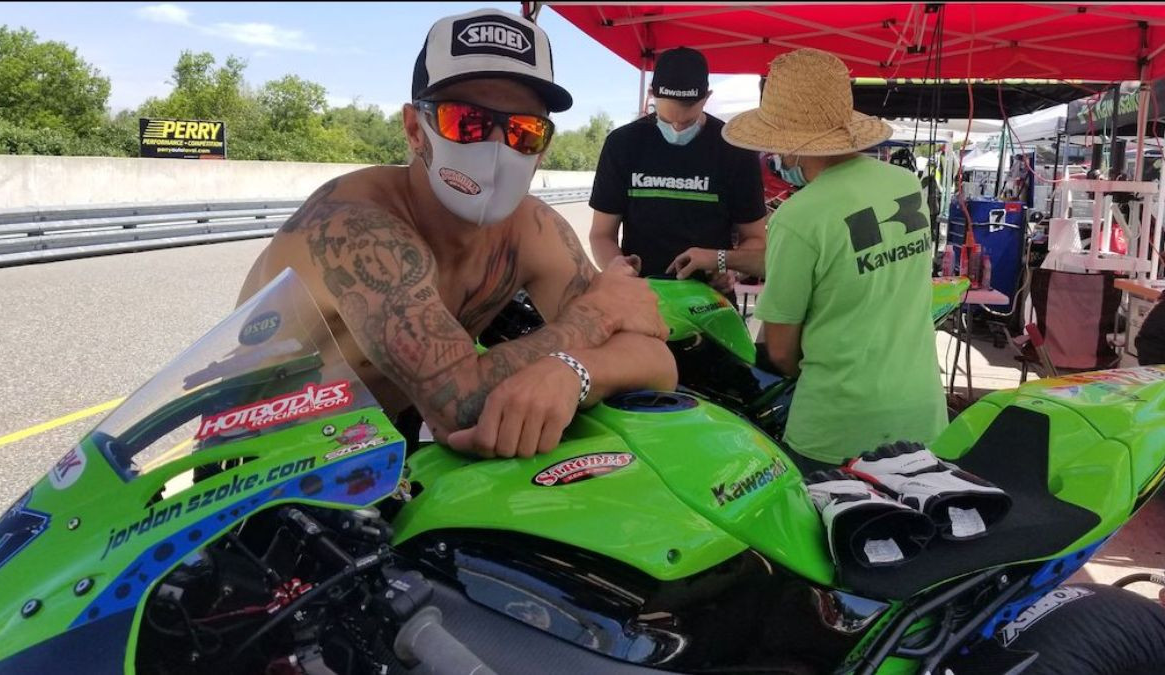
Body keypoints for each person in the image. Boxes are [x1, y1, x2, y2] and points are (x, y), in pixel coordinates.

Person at [236, 8, 677, 459]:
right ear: (414, 129)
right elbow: (461, 406)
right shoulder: (353, 225)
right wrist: (598, 315)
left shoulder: (532, 229)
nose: (496, 146)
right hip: (257, 466)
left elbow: (658, 361)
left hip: (377, 445)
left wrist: (573, 369)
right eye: (464, 122)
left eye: (525, 132)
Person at [722, 48, 948, 465]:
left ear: (787, 147)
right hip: (923, 415)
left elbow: (782, 349)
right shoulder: (905, 185)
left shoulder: (798, 217)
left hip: (837, 430)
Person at [588, 47, 768, 290]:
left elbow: (755, 238)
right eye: (668, 119)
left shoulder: (735, 149)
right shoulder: (623, 144)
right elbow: (601, 234)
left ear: (707, 97)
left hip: (709, 299)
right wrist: (617, 268)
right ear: (652, 95)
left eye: (688, 120)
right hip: (638, 293)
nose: (677, 128)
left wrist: (730, 267)